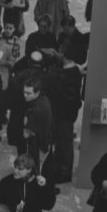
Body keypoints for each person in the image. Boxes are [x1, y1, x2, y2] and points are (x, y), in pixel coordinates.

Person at [44, 40, 84, 183]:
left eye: (59, 52)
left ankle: (65, 171)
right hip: (64, 113)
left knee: (65, 143)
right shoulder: (72, 72)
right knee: (60, 142)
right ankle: (59, 167)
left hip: (64, 114)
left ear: (65, 55)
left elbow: (65, 95)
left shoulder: (68, 73)